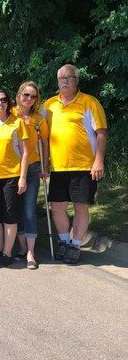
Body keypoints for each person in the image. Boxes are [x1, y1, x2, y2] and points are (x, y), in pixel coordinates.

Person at [42, 64, 108, 264]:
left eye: (69, 77)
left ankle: (75, 244)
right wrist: (45, 164)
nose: (65, 81)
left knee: (81, 208)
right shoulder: (49, 105)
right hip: (59, 167)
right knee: (57, 207)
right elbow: (41, 136)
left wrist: (99, 161)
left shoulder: (90, 102)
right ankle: (64, 241)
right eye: (61, 78)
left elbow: (102, 133)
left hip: (84, 166)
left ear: (77, 80)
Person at [0, 88, 29, 267]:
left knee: (10, 216)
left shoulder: (17, 122)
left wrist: (22, 178)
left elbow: (25, 153)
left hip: (12, 176)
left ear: (8, 102)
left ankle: (7, 253)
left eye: (3, 100)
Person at [11, 81, 49, 269]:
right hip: (11, 169)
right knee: (16, 209)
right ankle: (21, 246)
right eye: (26, 95)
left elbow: (44, 143)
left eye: (33, 96)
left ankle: (30, 252)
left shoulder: (39, 119)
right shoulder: (10, 113)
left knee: (28, 209)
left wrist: (46, 164)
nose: (29, 99)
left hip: (33, 168)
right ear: (19, 95)